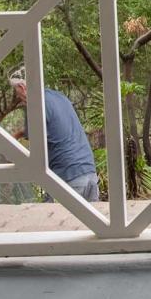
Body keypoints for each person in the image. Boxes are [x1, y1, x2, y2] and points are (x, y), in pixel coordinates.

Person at [8, 69, 102, 202]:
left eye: (18, 95)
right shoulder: (59, 97)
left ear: (22, 88)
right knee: (90, 222)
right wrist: (18, 134)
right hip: (89, 174)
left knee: (50, 220)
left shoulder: (35, 105)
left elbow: (35, 153)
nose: (20, 100)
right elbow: (54, 125)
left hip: (68, 178)